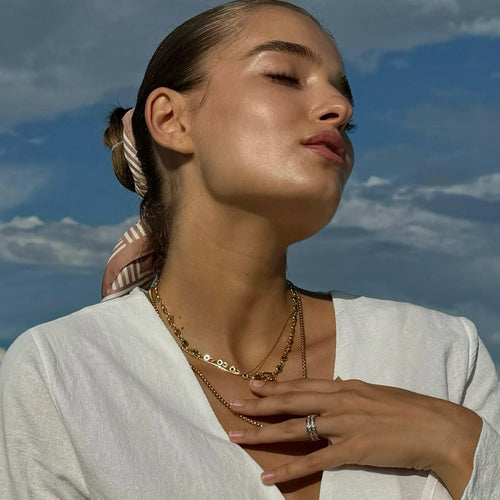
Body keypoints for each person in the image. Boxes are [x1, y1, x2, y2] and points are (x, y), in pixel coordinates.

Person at [1, 0, 499, 498]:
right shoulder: (58, 372)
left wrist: (458, 443)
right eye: (284, 75)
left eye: (348, 116)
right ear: (171, 120)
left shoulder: (442, 354)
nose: (340, 110)